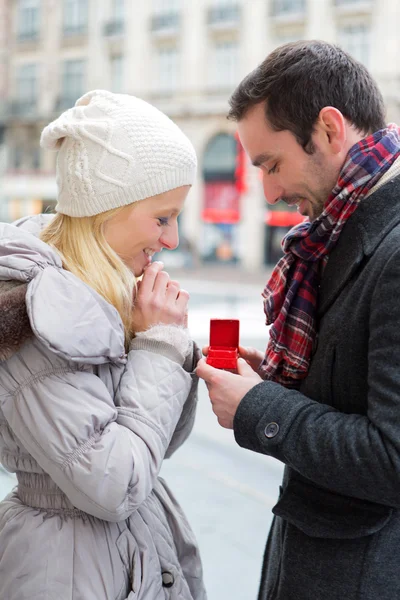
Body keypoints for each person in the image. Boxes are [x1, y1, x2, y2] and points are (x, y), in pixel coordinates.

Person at [196, 40, 400, 600]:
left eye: (272, 164)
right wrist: (282, 385)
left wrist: (259, 408)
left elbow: (392, 458)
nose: (269, 191)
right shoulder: (341, 232)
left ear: (330, 131)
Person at [0, 89, 207, 600]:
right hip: (66, 570)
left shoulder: (95, 297)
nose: (172, 239)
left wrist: (168, 350)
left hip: (109, 556)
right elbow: (116, 485)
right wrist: (159, 351)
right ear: (104, 209)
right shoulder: (36, 314)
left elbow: (154, 447)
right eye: (161, 218)